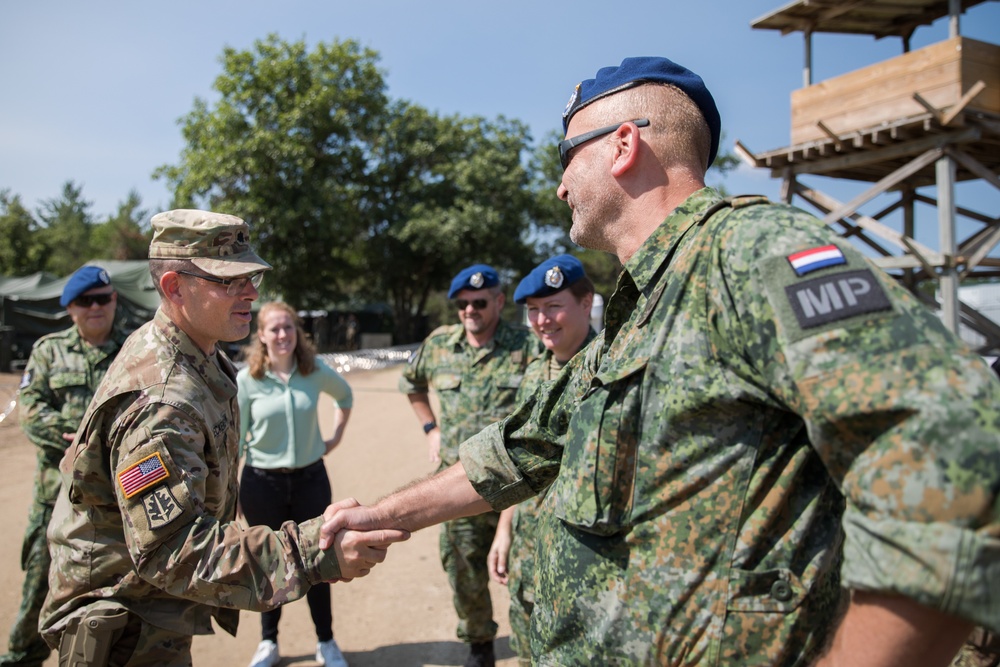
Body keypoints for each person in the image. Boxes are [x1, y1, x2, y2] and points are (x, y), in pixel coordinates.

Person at [321, 57, 1000, 666]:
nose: (559, 184)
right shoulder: (636, 304)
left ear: (623, 145)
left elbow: (953, 452)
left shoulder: (746, 252)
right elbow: (522, 448)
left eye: (566, 156)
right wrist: (384, 514)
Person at [39, 209, 407, 666]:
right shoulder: (163, 402)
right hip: (125, 622)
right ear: (175, 287)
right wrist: (315, 552)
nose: (250, 292)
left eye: (251, 277)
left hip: (152, 606)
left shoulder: (198, 355)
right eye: (228, 281)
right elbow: (171, 550)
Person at [398, 263, 537, 667]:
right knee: (462, 570)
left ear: (497, 301)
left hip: (520, 479)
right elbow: (411, 383)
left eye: (479, 302)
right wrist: (430, 428)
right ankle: (480, 646)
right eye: (462, 305)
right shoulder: (441, 344)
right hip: (460, 483)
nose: (470, 311)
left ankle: (530, 648)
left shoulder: (527, 346)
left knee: (526, 569)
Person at [0, 266, 126, 667]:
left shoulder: (134, 351)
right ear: (70, 308)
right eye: (86, 301)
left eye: (103, 298)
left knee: (113, 603)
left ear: (115, 301)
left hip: (114, 504)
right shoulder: (48, 350)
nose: (96, 307)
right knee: (38, 593)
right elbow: (31, 410)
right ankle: (23, 657)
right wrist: (84, 440)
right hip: (56, 498)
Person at [486, 254, 597, 666]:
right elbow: (520, 459)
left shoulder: (614, 367)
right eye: (533, 311)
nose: (542, 320)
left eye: (554, 307)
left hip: (585, 558)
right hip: (530, 548)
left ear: (586, 303)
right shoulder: (536, 372)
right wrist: (504, 529)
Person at [237, 301, 354, 667]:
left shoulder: (314, 370)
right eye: (274, 329)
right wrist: (232, 496)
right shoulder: (248, 380)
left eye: (288, 327)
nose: (283, 335)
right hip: (260, 483)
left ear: (297, 332)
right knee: (268, 563)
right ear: (261, 335)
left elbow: (345, 396)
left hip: (310, 480)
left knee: (320, 559)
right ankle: (269, 642)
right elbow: (238, 440)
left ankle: (326, 641)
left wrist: (333, 438)